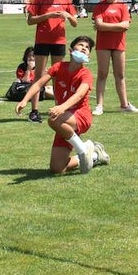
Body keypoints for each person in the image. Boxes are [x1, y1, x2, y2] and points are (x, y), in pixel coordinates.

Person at [15, 35, 108, 174]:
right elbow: (39, 84)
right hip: (64, 120)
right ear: (70, 51)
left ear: (89, 56)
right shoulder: (58, 67)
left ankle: (83, 150)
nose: (84, 48)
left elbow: (79, 94)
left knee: (53, 119)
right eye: (81, 45)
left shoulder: (86, 74)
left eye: (87, 47)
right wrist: (24, 100)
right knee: (57, 168)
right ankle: (95, 155)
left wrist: (61, 107)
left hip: (81, 116)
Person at [24, 0, 77, 123]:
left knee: (57, 76)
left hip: (59, 42)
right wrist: (48, 15)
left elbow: (75, 23)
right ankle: (34, 111)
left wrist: (68, 16)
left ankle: (58, 109)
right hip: (42, 41)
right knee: (39, 76)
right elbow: (30, 20)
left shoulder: (65, 0)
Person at [91, 0, 138, 115]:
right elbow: (99, 24)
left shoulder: (122, 6)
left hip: (119, 44)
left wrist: (106, 27)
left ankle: (124, 105)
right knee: (102, 74)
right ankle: (99, 105)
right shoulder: (100, 6)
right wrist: (117, 27)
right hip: (103, 44)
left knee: (120, 74)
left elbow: (125, 25)